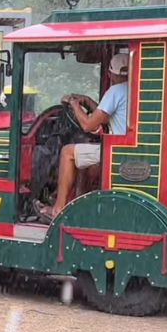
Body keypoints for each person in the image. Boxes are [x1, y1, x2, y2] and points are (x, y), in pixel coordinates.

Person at [38, 51, 129, 222]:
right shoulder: (132, 88)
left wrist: (74, 104)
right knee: (83, 148)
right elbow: (106, 114)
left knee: (67, 152)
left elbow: (88, 124)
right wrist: (86, 101)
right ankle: (78, 201)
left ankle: (57, 209)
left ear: (111, 74)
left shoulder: (115, 91)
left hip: (115, 152)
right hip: (126, 148)